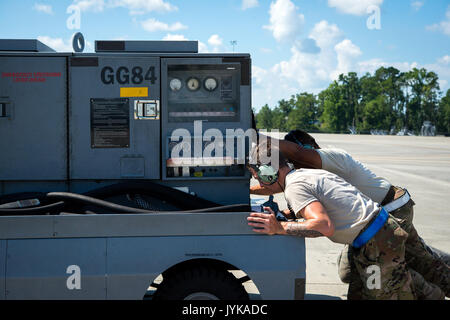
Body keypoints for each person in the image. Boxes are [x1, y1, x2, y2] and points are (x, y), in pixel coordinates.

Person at [250, 130, 449, 300]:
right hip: (374, 230)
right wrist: (285, 214)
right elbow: (325, 200)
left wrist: (279, 228)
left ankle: (420, 287)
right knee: (358, 285)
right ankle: (403, 276)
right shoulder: (306, 174)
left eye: (258, 175)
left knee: (393, 286)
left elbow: (323, 225)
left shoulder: (316, 169)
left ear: (269, 172)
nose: (258, 181)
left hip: (385, 225)